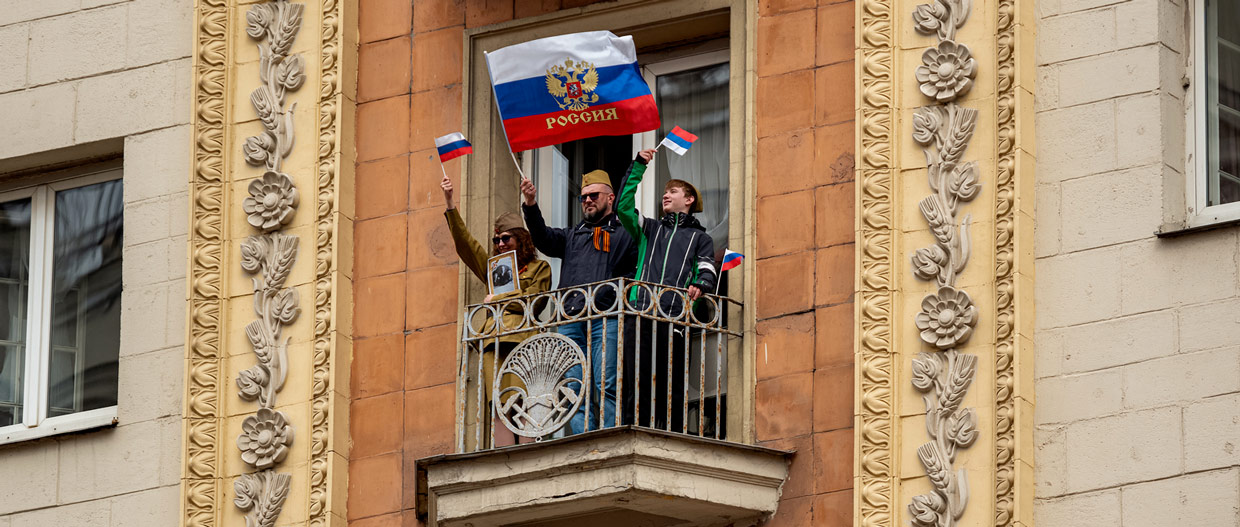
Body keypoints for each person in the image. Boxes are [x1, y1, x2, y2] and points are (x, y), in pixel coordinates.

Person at [520, 169, 638, 434]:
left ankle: (608, 436)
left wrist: (617, 294)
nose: (587, 201)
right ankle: (583, 437)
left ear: (610, 197)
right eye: (583, 197)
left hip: (605, 316)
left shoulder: (624, 232)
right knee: (573, 385)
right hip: (571, 317)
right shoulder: (573, 235)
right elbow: (544, 240)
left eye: (593, 195)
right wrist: (530, 204)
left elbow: (635, 270)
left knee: (606, 383)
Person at [442, 173, 552, 447]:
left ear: (521, 240)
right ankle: (504, 452)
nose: (500, 244)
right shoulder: (494, 269)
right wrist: (449, 203)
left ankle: (527, 450)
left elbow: (535, 301)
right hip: (493, 340)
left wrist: (499, 300)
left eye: (506, 239)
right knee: (499, 401)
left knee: (526, 397)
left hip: (524, 340)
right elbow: (467, 246)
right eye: (497, 241)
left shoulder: (540, 268)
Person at [616, 148, 717, 432]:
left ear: (689, 199)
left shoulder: (701, 238)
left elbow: (706, 269)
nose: (666, 195)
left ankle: (669, 435)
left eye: (672, 191)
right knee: (635, 378)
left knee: (670, 384)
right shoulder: (649, 229)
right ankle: (631, 430)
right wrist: (638, 166)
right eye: (664, 192)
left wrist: (701, 284)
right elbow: (623, 207)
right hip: (641, 311)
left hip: (675, 317)